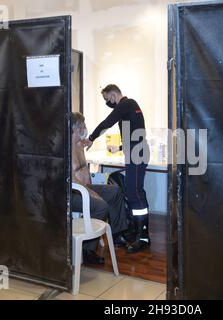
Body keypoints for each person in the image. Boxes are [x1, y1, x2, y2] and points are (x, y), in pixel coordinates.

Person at [83, 84, 151, 254]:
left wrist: (91, 138)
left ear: (113, 95)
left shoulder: (125, 105)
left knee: (133, 193)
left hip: (137, 152)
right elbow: (137, 133)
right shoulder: (130, 106)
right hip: (137, 150)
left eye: (107, 99)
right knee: (136, 192)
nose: (108, 103)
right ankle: (138, 232)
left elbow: (107, 123)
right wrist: (120, 148)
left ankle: (142, 237)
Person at [71, 112, 129, 265]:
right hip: (72, 193)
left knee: (115, 191)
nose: (85, 128)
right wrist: (91, 193)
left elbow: (84, 171)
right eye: (82, 126)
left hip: (84, 188)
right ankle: (87, 250)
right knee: (101, 206)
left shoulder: (80, 144)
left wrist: (93, 189)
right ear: (75, 129)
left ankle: (117, 234)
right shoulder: (65, 148)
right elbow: (72, 179)